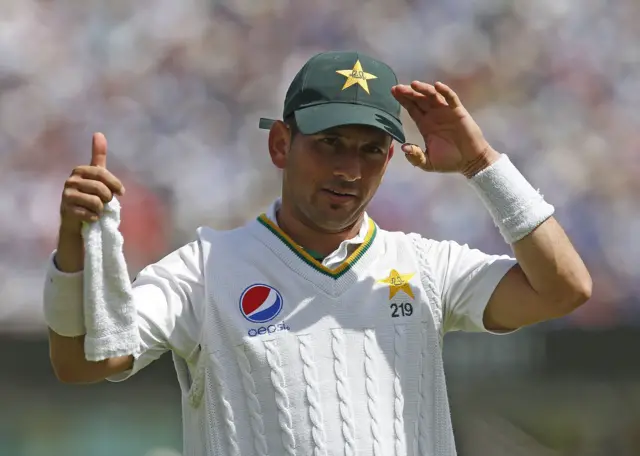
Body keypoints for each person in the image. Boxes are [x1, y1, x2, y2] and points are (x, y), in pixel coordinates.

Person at [43, 51, 592, 456]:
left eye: (371, 150)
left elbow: (564, 287)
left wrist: (482, 164)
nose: (349, 170)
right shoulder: (206, 268)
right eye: (329, 143)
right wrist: (75, 243)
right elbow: (85, 363)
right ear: (281, 144)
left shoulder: (424, 265)